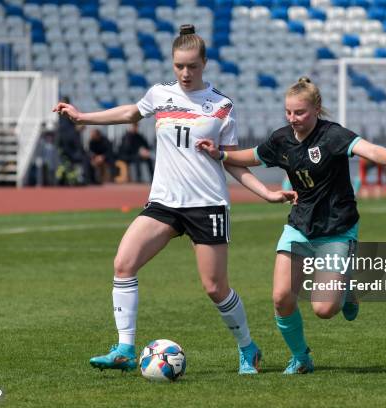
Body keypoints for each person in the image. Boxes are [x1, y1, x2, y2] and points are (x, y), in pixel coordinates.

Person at [52, 24, 296, 375]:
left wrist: (267, 193)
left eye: (192, 66)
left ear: (204, 63)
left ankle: (248, 348)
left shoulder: (221, 106)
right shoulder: (159, 95)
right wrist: (81, 117)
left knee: (214, 287)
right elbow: (129, 114)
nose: (185, 73)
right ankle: (124, 348)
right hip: (165, 202)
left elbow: (232, 163)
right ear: (172, 63)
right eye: (179, 66)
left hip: (207, 204)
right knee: (124, 263)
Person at [196, 77, 386, 374]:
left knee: (324, 310)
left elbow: (368, 149)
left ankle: (346, 288)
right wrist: (219, 153)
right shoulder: (282, 139)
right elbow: (252, 156)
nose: (293, 119)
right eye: (288, 112)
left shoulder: (332, 135)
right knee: (281, 298)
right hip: (299, 225)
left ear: (317, 109)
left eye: (300, 113)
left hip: (337, 227)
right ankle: (301, 358)